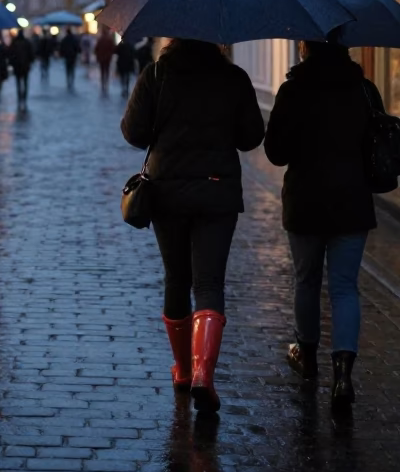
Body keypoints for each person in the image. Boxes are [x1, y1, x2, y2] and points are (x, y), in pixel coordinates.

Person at [121, 38, 264, 413]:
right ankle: (204, 373)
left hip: (167, 191)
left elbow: (134, 133)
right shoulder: (233, 77)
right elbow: (251, 138)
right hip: (218, 191)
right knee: (209, 282)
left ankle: (183, 370)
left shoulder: (157, 74)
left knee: (177, 279)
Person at [264, 39, 382, 412]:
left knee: (306, 280)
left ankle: (308, 355)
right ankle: (343, 376)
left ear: (306, 46)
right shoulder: (364, 89)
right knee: (345, 288)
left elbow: (275, 152)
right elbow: (377, 144)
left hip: (306, 201)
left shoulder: (293, 90)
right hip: (352, 199)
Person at [8, 28, 35, 110]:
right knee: (25, 82)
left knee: (18, 83)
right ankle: (24, 97)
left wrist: (12, 63)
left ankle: (20, 96)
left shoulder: (14, 42)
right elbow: (31, 54)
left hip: (17, 66)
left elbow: (11, 54)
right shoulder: (27, 42)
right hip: (25, 66)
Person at [95, 28, 116, 94]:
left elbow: (96, 49)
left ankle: (103, 83)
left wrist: (98, 56)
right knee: (107, 70)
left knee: (102, 71)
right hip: (108, 58)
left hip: (101, 58)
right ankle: (106, 83)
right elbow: (113, 49)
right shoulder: (110, 40)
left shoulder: (100, 39)